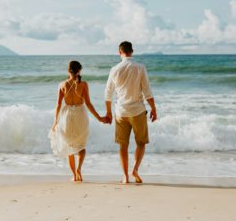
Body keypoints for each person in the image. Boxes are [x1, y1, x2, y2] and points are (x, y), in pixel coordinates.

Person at [104, 41, 157, 184]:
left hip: (121, 112)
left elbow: (108, 94)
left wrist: (109, 113)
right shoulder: (140, 67)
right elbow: (147, 91)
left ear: (119, 52)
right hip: (138, 111)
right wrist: (154, 109)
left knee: (123, 145)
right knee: (140, 143)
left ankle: (125, 176)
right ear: (132, 51)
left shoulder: (114, 69)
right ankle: (135, 170)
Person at [50, 60, 106, 182]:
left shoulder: (62, 85)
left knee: (69, 146)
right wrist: (99, 118)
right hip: (80, 115)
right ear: (79, 70)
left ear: (68, 70)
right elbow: (89, 104)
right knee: (81, 146)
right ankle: (79, 169)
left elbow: (58, 105)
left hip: (67, 117)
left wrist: (55, 121)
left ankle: (74, 176)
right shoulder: (84, 84)